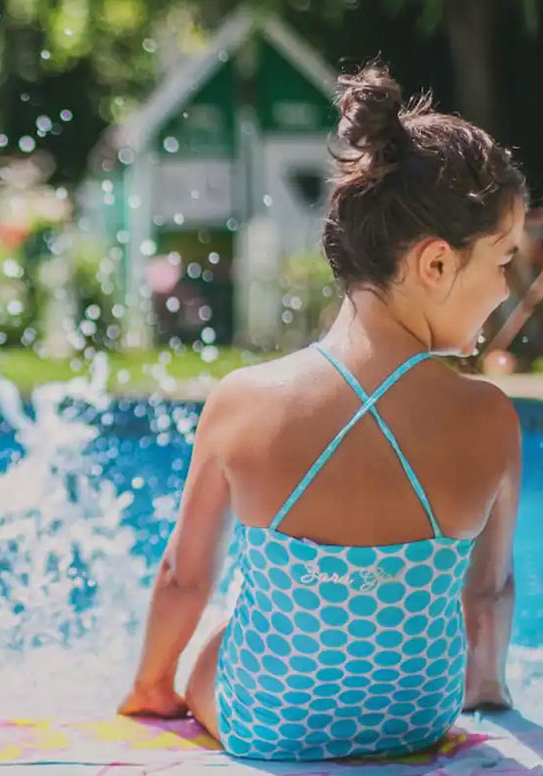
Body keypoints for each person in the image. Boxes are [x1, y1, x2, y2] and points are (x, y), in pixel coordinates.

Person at [119, 63, 527, 761]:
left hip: (267, 724)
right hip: (418, 719)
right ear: (435, 265)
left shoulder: (244, 401)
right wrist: (485, 691)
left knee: (219, 632)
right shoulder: (490, 418)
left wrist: (153, 691)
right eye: (503, 261)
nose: (505, 289)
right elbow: (485, 596)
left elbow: (182, 579)